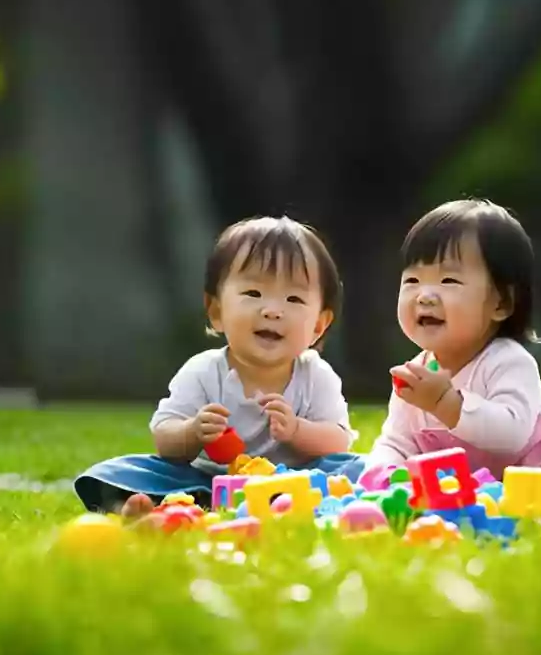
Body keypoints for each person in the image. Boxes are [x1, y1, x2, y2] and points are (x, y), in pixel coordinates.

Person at [75, 216, 364, 515]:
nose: (272, 311)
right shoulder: (203, 371)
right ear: (216, 311)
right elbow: (165, 438)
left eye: (293, 298)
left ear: (318, 325)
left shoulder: (315, 375)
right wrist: (193, 432)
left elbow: (337, 442)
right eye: (253, 293)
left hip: (296, 480)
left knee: (356, 467)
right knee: (119, 471)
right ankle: (144, 504)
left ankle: (308, 501)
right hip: (211, 480)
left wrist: (296, 431)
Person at [367, 198, 541, 509]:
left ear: (501, 304)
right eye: (412, 280)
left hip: (525, 471)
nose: (425, 295)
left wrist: (447, 404)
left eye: (449, 280)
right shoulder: (414, 375)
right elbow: (396, 442)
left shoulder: (508, 361)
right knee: (379, 467)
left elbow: (511, 434)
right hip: (455, 485)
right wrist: (383, 473)